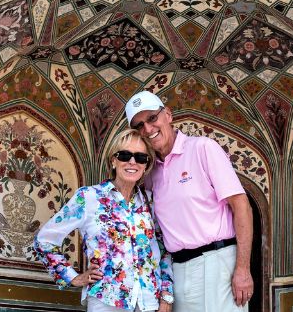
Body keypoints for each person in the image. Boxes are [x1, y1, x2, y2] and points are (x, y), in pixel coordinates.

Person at [125, 90, 254, 312]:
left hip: (217, 263)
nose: (148, 129)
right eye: (139, 126)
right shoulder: (148, 171)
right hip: (178, 269)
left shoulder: (202, 148)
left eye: (152, 118)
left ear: (168, 115)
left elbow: (241, 205)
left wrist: (242, 268)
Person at [34, 129, 174, 312]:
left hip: (149, 303)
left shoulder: (152, 201)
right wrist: (73, 277)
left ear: (146, 165)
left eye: (140, 157)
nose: (133, 162)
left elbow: (164, 250)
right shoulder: (89, 197)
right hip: (107, 301)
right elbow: (44, 240)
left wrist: (166, 296)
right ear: (113, 160)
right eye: (125, 155)